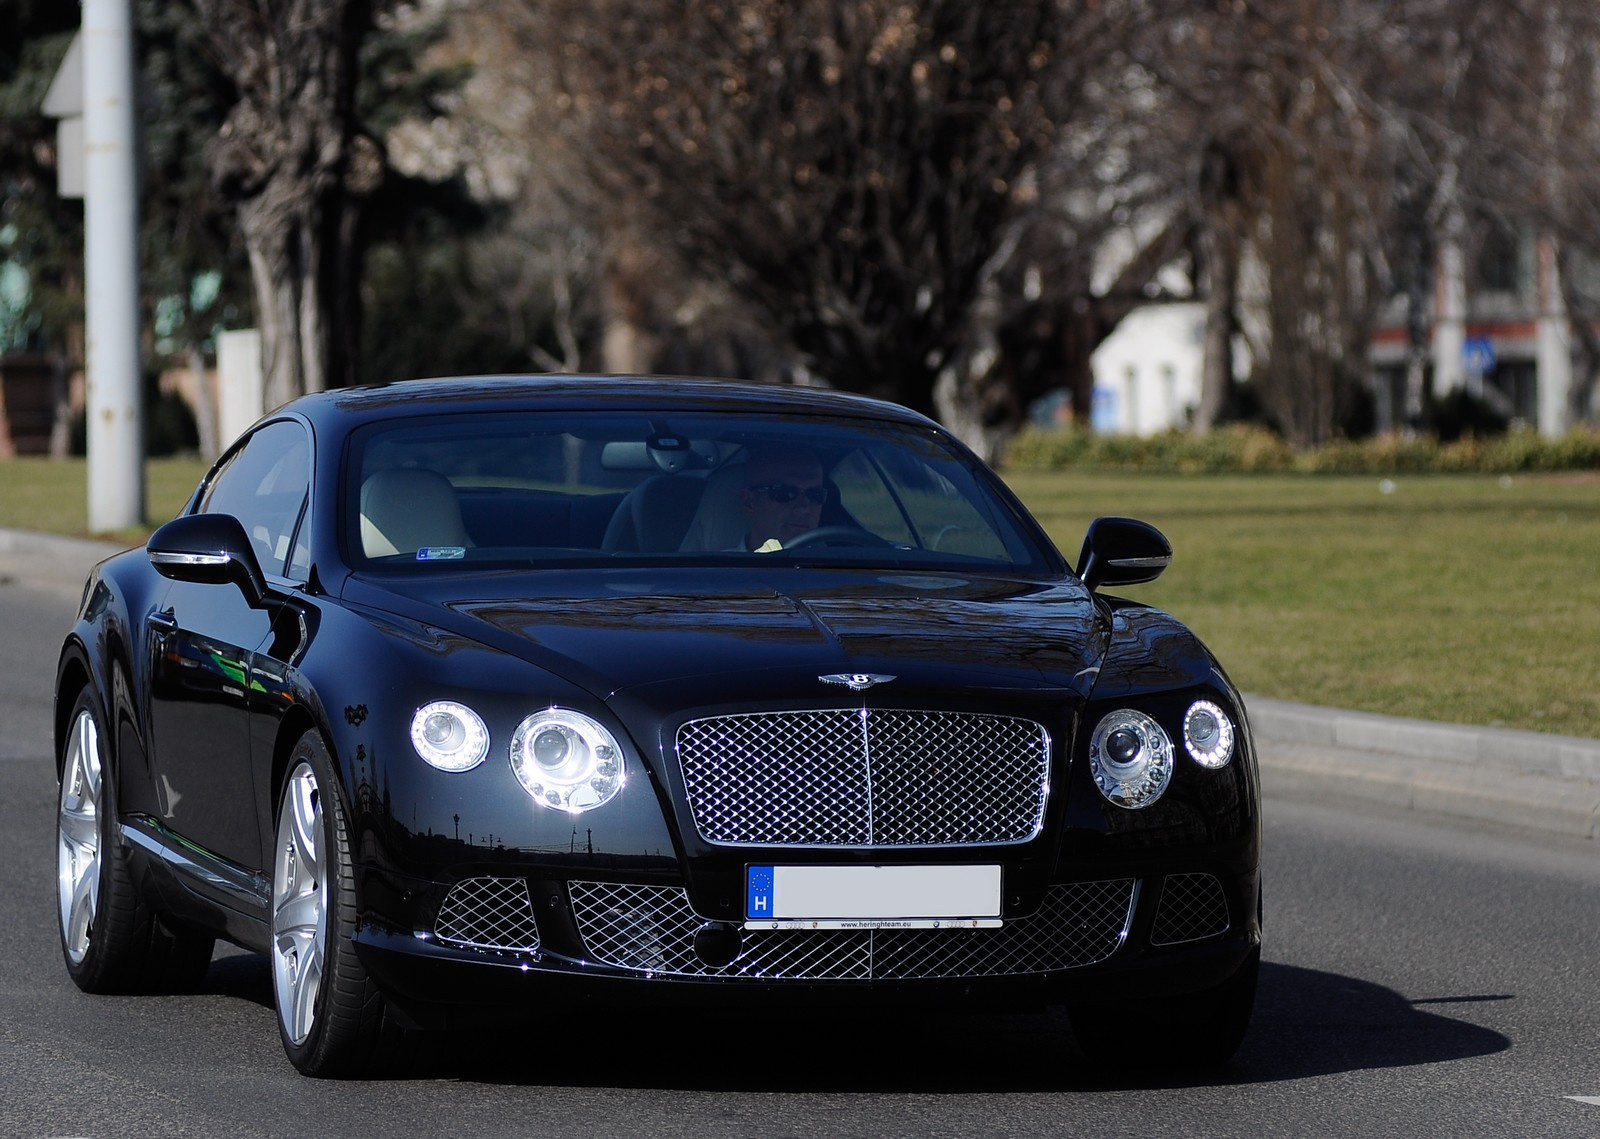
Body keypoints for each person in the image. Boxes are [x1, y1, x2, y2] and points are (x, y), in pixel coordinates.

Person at [737, 444, 827, 551]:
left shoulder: (843, 563)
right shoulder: (721, 566)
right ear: (749, 502)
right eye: (786, 493)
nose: (804, 509)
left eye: (815, 494)